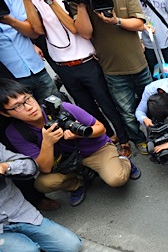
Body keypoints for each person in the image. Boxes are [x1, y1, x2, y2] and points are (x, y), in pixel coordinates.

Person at [13, 0, 133, 158]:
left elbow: (76, 28)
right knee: (87, 107)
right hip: (63, 66)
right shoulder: (30, 2)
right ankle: (109, 136)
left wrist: (50, 0)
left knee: (107, 103)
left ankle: (124, 139)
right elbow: (38, 30)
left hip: (87, 61)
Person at [1, 80, 141, 207]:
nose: (28, 107)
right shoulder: (16, 132)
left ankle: (123, 161)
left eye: (28, 99)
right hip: (65, 160)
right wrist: (47, 142)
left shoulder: (62, 108)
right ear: (5, 113)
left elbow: (101, 128)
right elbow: (44, 168)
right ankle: (77, 185)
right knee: (42, 183)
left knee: (117, 179)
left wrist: (79, 133)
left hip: (95, 150)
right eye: (17, 106)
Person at [70, 0, 153, 156]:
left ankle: (156, 133)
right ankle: (139, 139)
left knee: (151, 103)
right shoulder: (80, 2)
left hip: (139, 65)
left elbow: (140, 24)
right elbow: (85, 33)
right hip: (112, 71)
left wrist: (116, 21)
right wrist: (82, 5)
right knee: (127, 111)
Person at [0, 142, 82, 252]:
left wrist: (7, 167)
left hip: (21, 212)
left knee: (71, 247)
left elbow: (31, 166)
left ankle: (31, 242)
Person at [0, 0, 61, 103]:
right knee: (29, 120)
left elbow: (33, 32)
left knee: (59, 107)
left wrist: (9, 21)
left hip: (36, 67)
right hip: (9, 78)